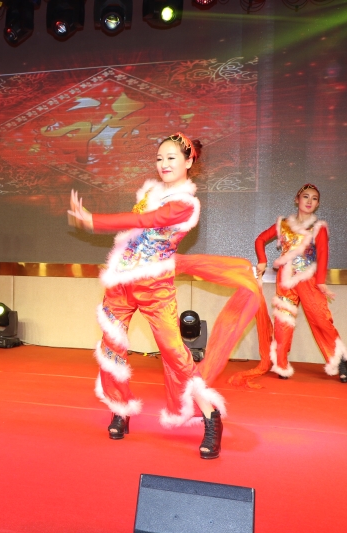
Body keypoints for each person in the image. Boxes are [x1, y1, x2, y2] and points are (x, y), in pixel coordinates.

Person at [68, 133, 272, 460]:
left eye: (171, 158)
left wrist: (95, 220)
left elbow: (147, 221)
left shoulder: (186, 204)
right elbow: (136, 232)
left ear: (189, 161)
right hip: (121, 281)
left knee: (175, 353)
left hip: (155, 287)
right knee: (111, 348)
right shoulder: (151, 192)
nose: (163, 164)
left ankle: (210, 416)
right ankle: (120, 409)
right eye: (159, 158)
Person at [230, 184, 347, 386]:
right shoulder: (284, 225)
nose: (309, 201)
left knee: (321, 320)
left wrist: (321, 282)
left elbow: (323, 255)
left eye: (314, 198)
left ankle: (340, 360)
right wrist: (262, 261)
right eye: (306, 196)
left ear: (318, 204)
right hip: (285, 281)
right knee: (283, 322)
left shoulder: (318, 228)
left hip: (308, 280)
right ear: (297, 199)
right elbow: (260, 239)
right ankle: (281, 364)